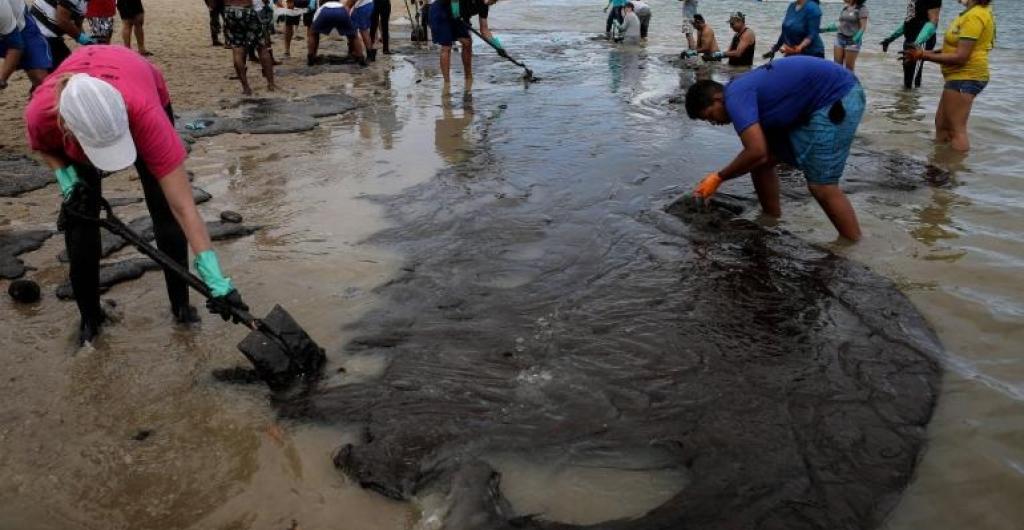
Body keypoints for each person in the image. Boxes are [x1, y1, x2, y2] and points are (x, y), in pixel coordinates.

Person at [23, 46, 250, 345]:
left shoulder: (146, 115)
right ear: (65, 127)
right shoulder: (41, 114)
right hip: (82, 115)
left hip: (135, 80)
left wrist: (215, 278)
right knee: (81, 220)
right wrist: (68, 180)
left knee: (164, 210)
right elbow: (45, 148)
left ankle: (181, 307)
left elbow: (183, 206)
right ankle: (90, 319)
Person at [684, 56, 866, 241]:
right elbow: (759, 157)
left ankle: (853, 245)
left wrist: (718, 177)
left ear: (718, 98)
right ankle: (771, 220)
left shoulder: (735, 96)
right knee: (760, 163)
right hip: (811, 103)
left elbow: (756, 150)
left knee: (821, 186)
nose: (713, 122)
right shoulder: (738, 90)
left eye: (709, 115)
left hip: (837, 95)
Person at [904, 0, 995, 152]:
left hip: (967, 76)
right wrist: (922, 53)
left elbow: (961, 57)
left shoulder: (975, 16)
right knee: (941, 124)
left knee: (956, 129)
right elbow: (951, 49)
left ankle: (954, 168)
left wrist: (923, 56)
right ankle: (939, 163)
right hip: (958, 77)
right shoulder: (970, 13)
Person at [880, 0, 941, 89]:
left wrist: (917, 42)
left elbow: (933, 22)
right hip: (909, 39)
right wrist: (890, 39)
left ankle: (913, 101)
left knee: (914, 80)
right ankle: (906, 101)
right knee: (907, 79)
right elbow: (909, 22)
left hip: (921, 41)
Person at [224, 0, 276, 94]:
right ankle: (271, 84)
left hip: (230, 10)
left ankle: (246, 88)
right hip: (248, 9)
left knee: (237, 49)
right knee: (262, 47)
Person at [0, 0, 51, 91]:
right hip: (6, 28)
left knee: (41, 79)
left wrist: (2, 79)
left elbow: (15, 46)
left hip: (20, 28)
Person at [28, 0, 90, 70]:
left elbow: (77, 24)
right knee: (67, 69)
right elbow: (62, 20)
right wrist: (82, 38)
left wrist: (88, 42)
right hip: (38, 32)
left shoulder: (85, 3)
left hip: (49, 34)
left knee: (69, 67)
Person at [308, 0, 365, 66]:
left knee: (313, 34)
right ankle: (360, 58)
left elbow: (314, 23)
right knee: (353, 35)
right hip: (341, 11)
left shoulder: (321, 8)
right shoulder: (342, 6)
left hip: (325, 12)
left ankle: (311, 57)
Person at [428, 0, 471, 86]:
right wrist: (456, 13)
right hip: (440, 9)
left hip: (455, 9)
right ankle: (447, 83)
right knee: (446, 47)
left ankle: (468, 77)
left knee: (467, 42)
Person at [821, 0, 868, 71]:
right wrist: (829, 29)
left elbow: (863, 27)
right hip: (840, 39)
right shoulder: (845, 8)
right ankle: (838, 82)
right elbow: (842, 25)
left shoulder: (862, 9)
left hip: (852, 41)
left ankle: (851, 82)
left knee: (849, 69)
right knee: (837, 67)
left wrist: (857, 38)